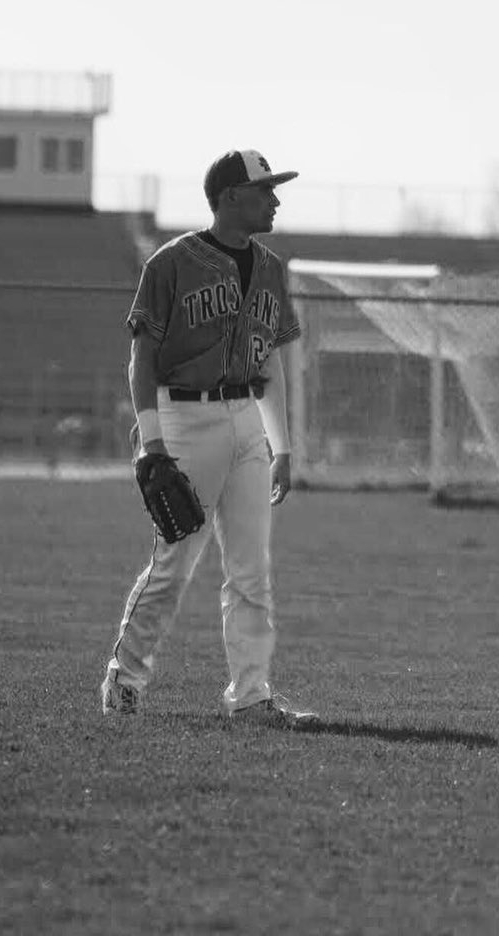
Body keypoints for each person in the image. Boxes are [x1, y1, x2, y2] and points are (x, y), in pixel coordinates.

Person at [101, 149, 318, 728]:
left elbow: (267, 360)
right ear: (228, 199)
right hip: (183, 419)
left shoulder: (272, 267)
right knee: (174, 564)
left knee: (252, 570)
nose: (275, 198)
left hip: (246, 418)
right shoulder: (173, 262)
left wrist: (283, 448)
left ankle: (250, 695)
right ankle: (124, 677)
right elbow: (140, 358)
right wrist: (151, 444)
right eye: (265, 189)